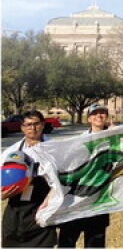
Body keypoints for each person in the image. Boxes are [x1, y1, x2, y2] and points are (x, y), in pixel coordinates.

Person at [58, 103, 111, 248]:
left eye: (102, 113)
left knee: (95, 243)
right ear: (89, 118)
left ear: (106, 116)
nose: (99, 116)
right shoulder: (78, 141)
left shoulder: (116, 138)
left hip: (98, 200)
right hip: (76, 198)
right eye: (95, 114)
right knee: (66, 241)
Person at [1, 110, 57, 247]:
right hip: (15, 211)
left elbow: (63, 181)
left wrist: (51, 200)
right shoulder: (10, 152)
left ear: (43, 125)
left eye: (36, 124)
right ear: (22, 127)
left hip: (42, 209)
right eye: (28, 124)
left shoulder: (55, 149)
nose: (32, 128)